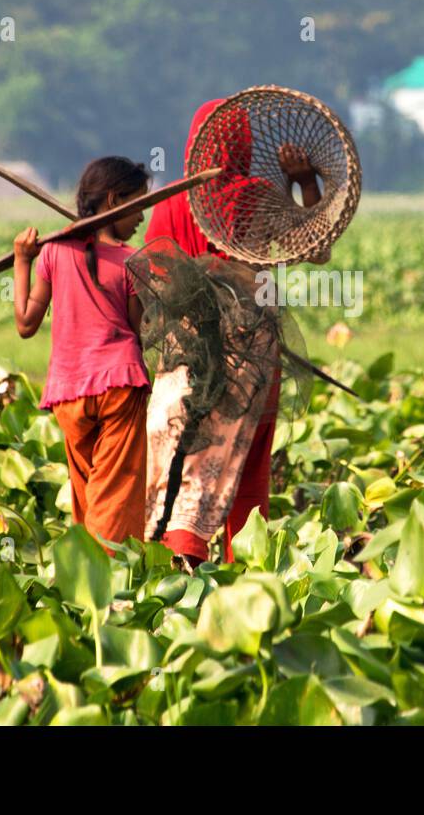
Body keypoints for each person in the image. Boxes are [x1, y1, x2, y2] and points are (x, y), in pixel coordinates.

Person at [143, 97, 326, 566]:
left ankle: (175, 565)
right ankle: (241, 563)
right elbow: (316, 249)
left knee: (184, 458)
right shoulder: (253, 195)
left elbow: (155, 279)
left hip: (184, 348)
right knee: (242, 461)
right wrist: (305, 183)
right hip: (249, 351)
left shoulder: (168, 203)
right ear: (240, 143)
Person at [12, 157, 152, 548]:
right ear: (113, 201)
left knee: (88, 490)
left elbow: (25, 324)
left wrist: (23, 262)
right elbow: (140, 331)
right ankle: (107, 576)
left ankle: (84, 574)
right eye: (137, 204)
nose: (141, 217)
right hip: (119, 386)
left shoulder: (54, 252)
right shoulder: (131, 262)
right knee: (117, 493)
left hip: (68, 393)